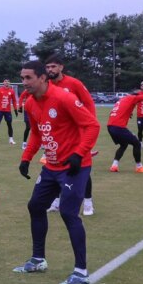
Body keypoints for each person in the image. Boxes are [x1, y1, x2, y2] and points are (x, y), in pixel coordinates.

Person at [14, 59, 100, 284]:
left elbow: (92, 126)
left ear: (43, 77)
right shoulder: (31, 103)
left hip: (74, 167)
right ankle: (38, 259)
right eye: (22, 78)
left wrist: (79, 154)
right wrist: (26, 158)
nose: (24, 83)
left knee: (68, 213)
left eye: (28, 78)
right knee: (35, 206)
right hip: (51, 166)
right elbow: (35, 133)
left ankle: (81, 271)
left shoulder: (64, 97)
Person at [45, 55, 98, 215]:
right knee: (56, 166)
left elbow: (89, 105)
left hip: (78, 134)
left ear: (61, 67)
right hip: (57, 135)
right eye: (47, 67)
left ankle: (88, 202)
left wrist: (87, 131)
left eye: (53, 66)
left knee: (81, 167)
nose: (50, 70)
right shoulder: (46, 85)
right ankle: (57, 200)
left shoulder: (74, 84)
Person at [105, 92, 143, 174]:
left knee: (124, 145)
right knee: (137, 144)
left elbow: (116, 110)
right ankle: (139, 167)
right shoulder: (133, 97)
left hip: (110, 126)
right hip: (118, 127)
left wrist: (128, 112)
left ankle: (114, 166)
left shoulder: (122, 100)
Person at [0, 79, 18, 145]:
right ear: (3, 82)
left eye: (8, 81)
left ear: (9, 83)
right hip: (0, 110)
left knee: (9, 124)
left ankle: (11, 139)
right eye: (5, 81)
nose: (6, 82)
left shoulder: (12, 91)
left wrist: (15, 109)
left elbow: (14, 101)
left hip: (8, 111)